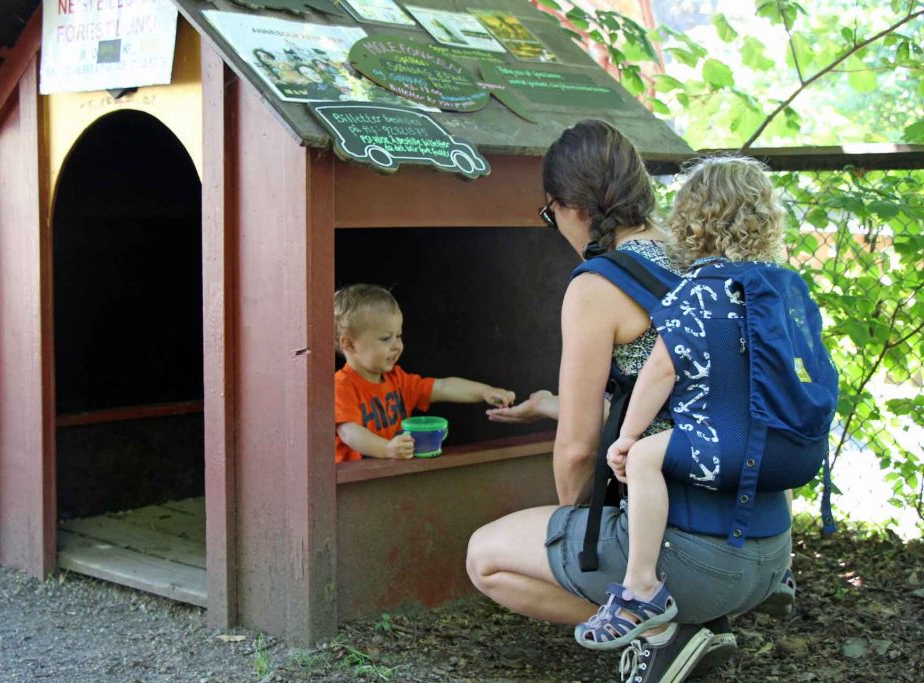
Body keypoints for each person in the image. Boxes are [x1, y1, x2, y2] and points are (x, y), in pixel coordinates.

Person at [465, 120, 793, 683]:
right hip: (769, 545)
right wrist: (554, 403)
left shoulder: (597, 285)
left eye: (551, 215)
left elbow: (576, 451)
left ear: (570, 206)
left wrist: (579, 528)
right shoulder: (702, 253)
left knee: (486, 557)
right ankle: (689, 618)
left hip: (695, 555)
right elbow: (696, 384)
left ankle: (667, 627)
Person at [575, 156, 826, 651]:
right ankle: (782, 573)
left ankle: (641, 589)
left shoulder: (697, 292)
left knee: (647, 456)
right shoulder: (784, 287)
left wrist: (626, 438)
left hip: (731, 446)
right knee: (763, 441)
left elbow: (661, 371)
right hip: (796, 447)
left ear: (690, 220)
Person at [334, 284, 515, 463]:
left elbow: (442, 386)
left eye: (398, 336)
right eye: (385, 338)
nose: (397, 345)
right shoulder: (341, 386)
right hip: (357, 485)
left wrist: (485, 391)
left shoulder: (398, 380)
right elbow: (349, 432)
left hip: (391, 476)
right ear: (349, 344)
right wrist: (386, 449)